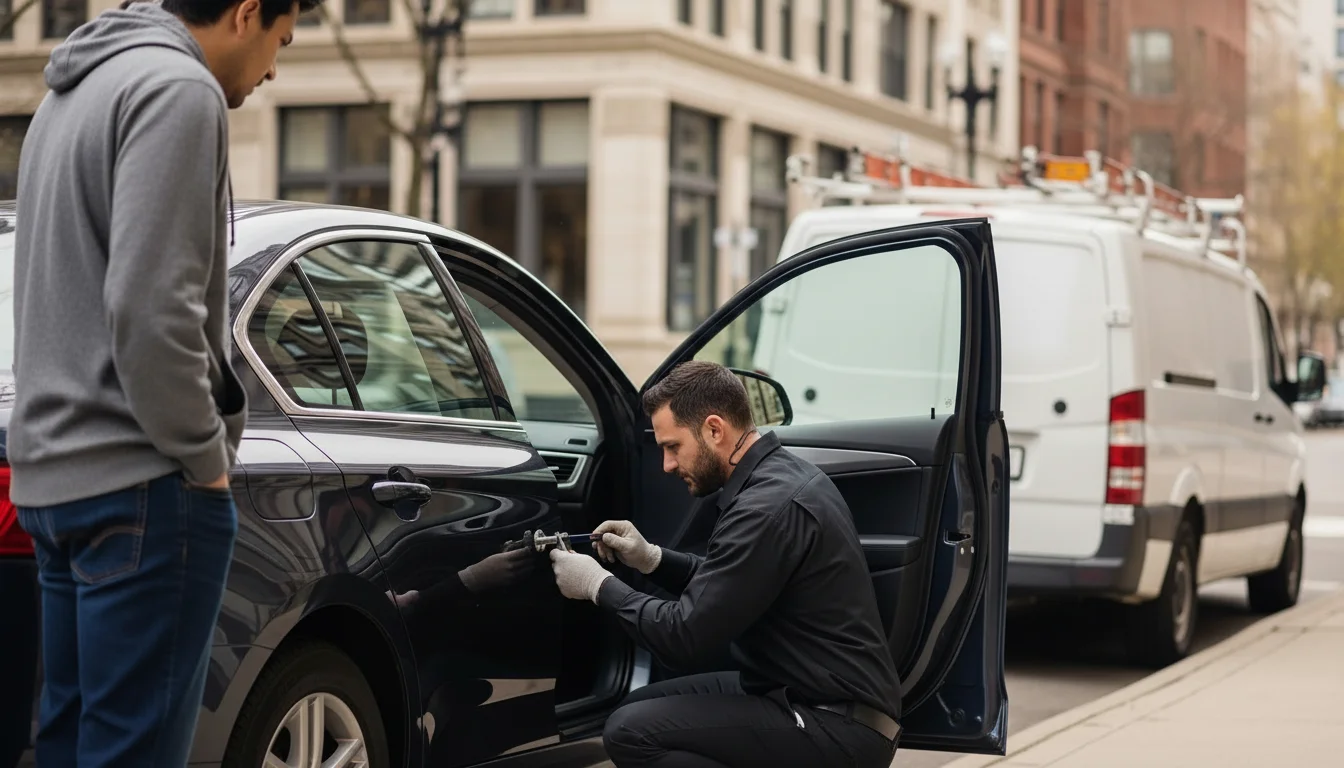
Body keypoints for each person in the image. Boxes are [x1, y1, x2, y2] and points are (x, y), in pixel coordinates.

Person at [9, 0, 320, 765]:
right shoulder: (179, 92)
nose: (275, 67)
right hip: (143, 478)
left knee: (69, 743)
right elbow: (154, 309)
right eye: (280, 40)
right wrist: (206, 464)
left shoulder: (68, 92)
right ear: (247, 13)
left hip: (53, 479)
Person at [549, 360, 903, 767]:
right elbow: (728, 587)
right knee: (640, 704)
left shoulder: (765, 508)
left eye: (672, 446)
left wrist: (597, 585)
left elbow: (685, 637)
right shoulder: (777, 478)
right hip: (798, 692)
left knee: (631, 731)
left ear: (715, 430)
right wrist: (651, 559)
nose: (666, 464)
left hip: (833, 724)